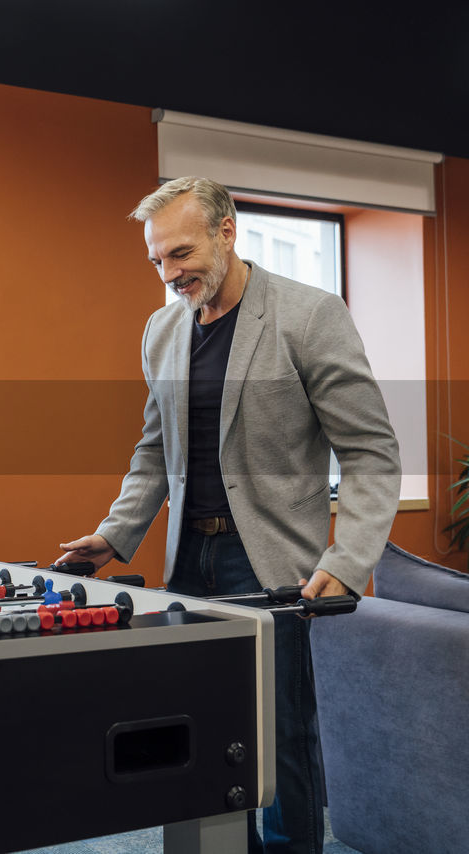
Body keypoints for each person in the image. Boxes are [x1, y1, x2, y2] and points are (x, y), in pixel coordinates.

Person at [57, 177, 400, 854]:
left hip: (271, 562)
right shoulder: (161, 330)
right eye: (156, 260)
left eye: (180, 252)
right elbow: (155, 452)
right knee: (198, 730)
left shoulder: (308, 315)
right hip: (190, 560)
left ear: (226, 232)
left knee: (281, 737)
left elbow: (370, 451)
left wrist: (348, 559)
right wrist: (114, 533)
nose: (169, 272)